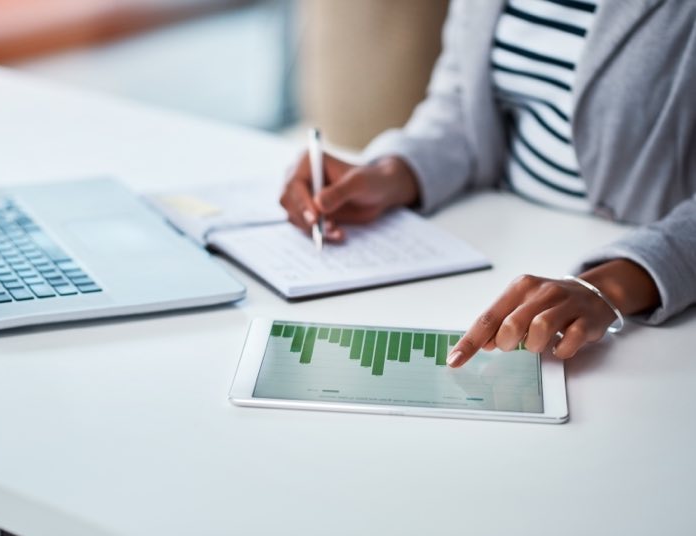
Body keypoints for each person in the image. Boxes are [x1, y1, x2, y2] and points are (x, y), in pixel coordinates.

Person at [280, 0, 696, 367]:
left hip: (654, 285)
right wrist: (394, 172)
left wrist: (615, 282)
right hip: (499, 236)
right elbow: (462, 103)